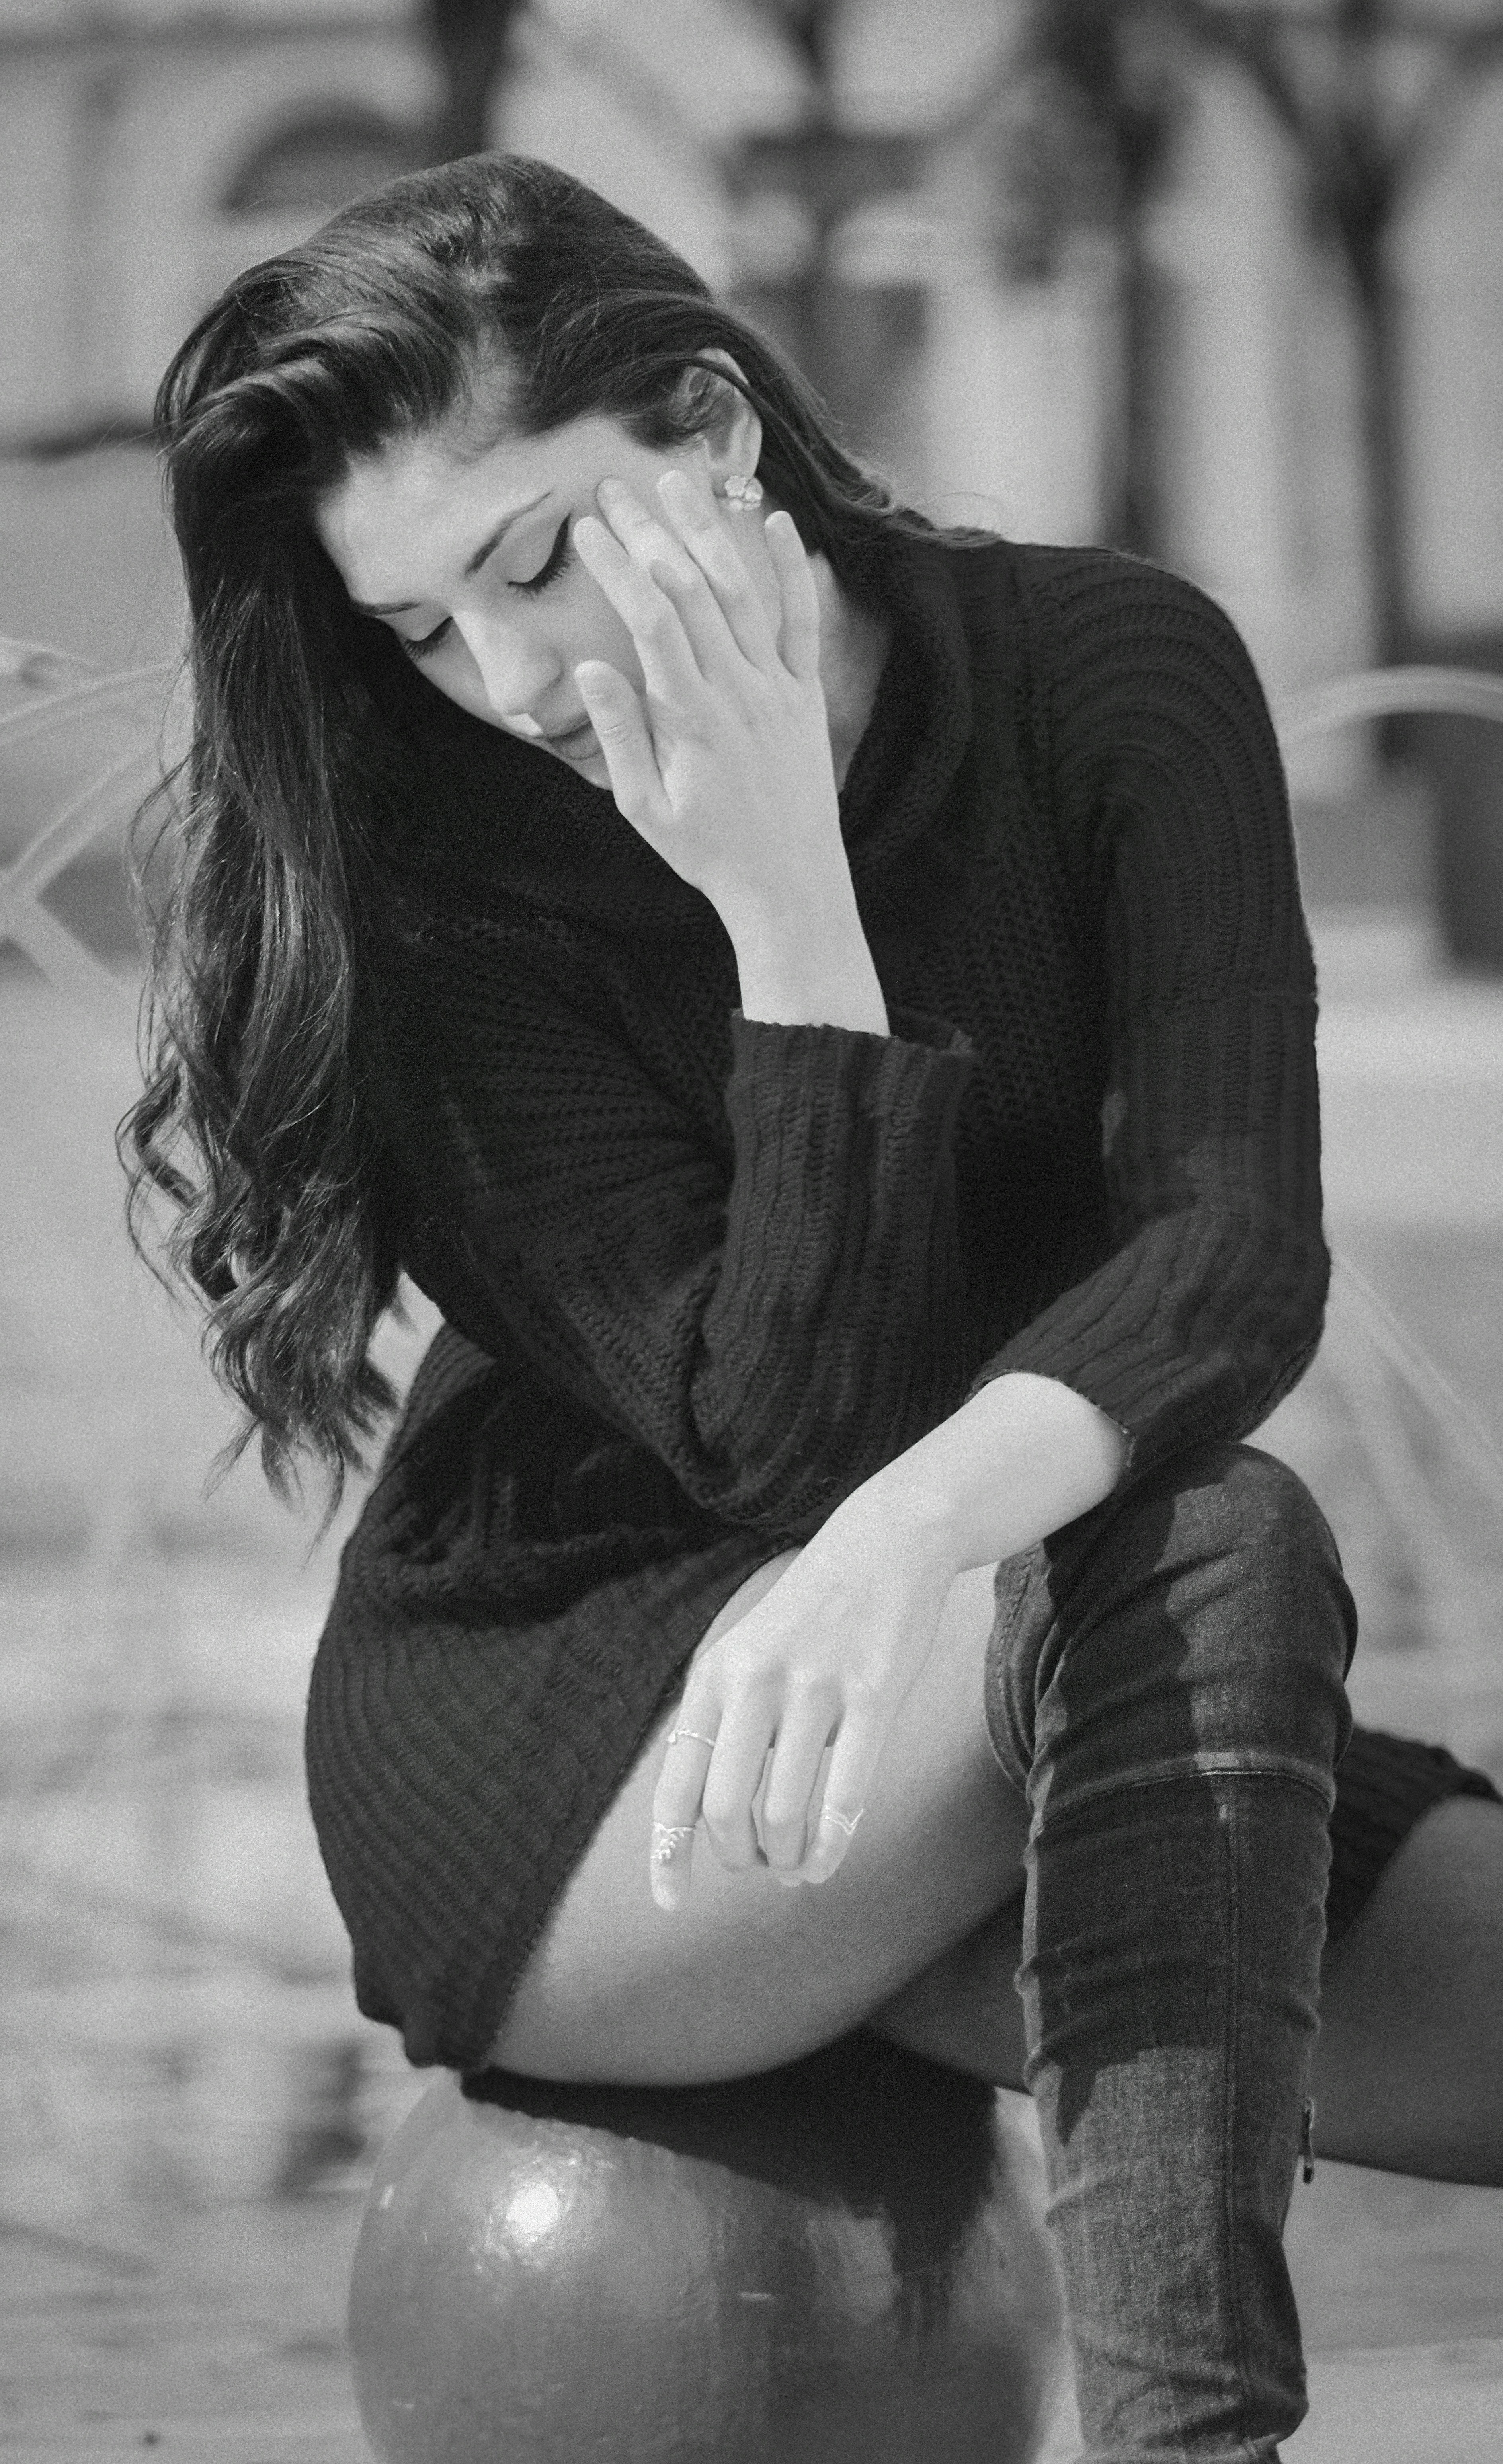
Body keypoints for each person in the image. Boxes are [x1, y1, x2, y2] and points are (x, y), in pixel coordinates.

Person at [124, 153, 1502, 2460]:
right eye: (422, 630)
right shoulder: (428, 883)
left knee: (1203, 1569)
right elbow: (779, 1452)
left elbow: (1230, 1256)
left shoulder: (1113, 673)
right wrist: (786, 918)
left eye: (539, 556)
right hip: (599, 1747)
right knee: (1223, 1530)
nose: (510, 677)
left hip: (1022, 1634)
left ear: (714, 429)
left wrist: (912, 1549)